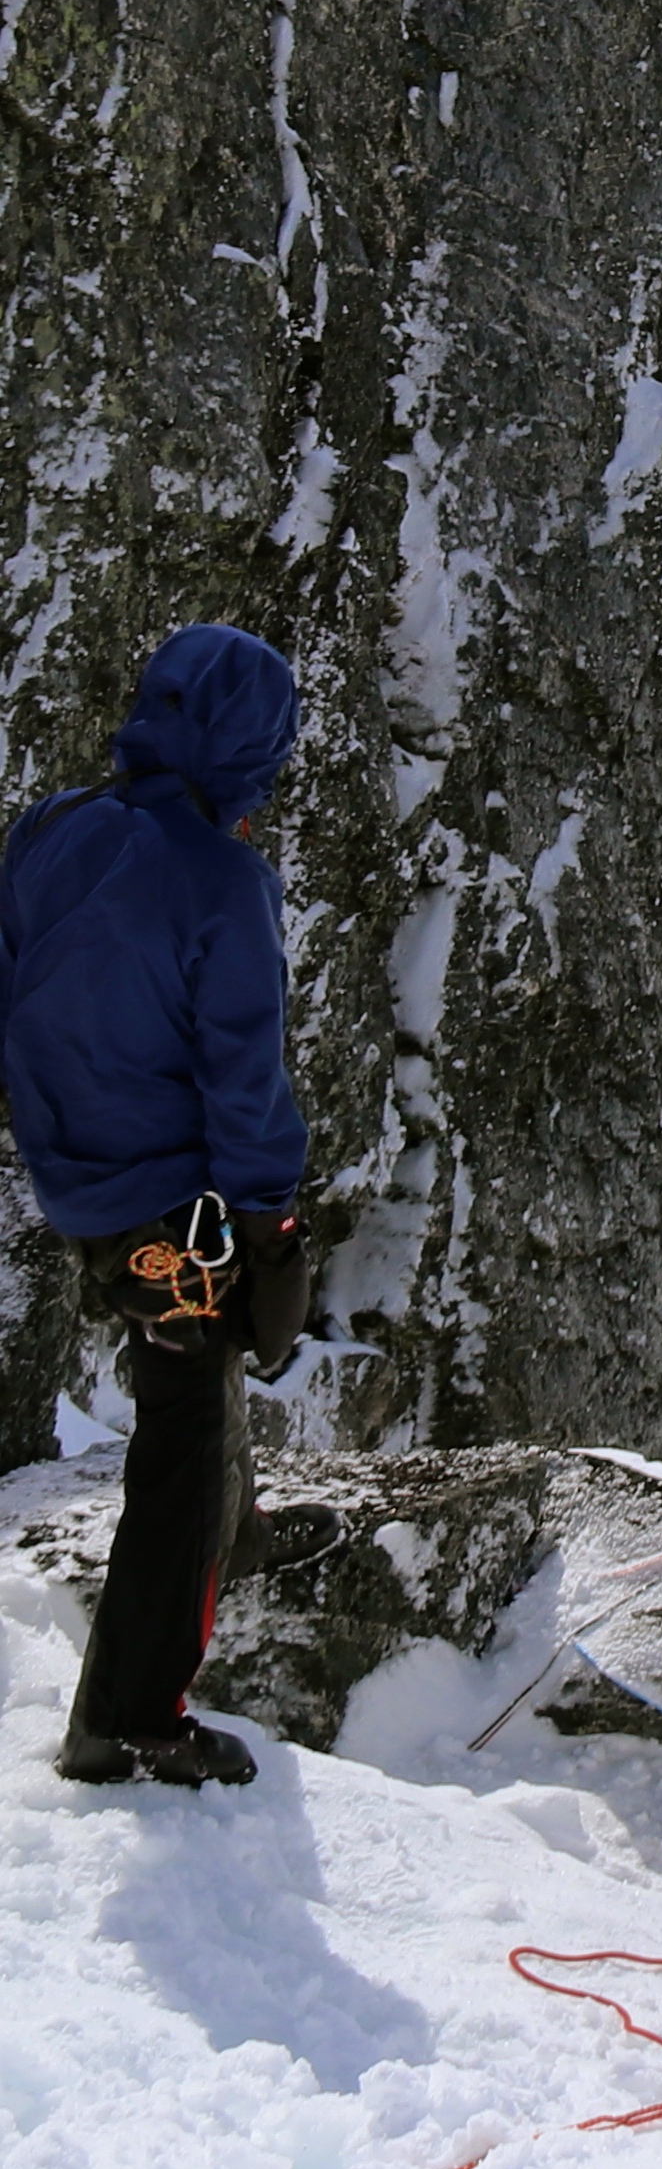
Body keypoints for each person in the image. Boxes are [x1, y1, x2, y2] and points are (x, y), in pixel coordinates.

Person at [0, 623, 343, 1788]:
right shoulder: (222, 879)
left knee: (195, 1384)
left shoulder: (51, 829)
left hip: (80, 1177)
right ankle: (131, 1716)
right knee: (187, 1422)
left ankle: (227, 1540)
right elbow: (241, 1073)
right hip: (171, 1199)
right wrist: (273, 1221)